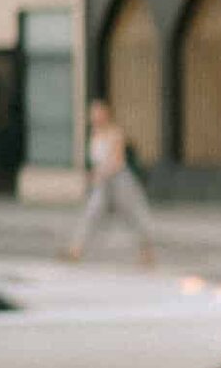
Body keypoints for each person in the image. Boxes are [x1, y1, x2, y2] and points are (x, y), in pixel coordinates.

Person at [64, 99, 158, 267]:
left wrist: (99, 174)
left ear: (106, 114)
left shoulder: (115, 133)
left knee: (135, 215)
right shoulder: (94, 134)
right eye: (92, 113)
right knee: (91, 213)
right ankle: (76, 250)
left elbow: (117, 161)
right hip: (103, 183)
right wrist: (94, 175)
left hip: (120, 180)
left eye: (98, 113)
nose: (94, 117)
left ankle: (147, 252)